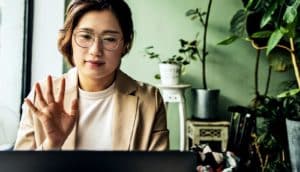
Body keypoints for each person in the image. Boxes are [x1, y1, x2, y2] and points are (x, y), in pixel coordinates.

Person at [14, 0, 169, 151]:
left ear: (125, 44)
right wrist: (52, 145)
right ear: (70, 39)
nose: (95, 50)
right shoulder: (42, 95)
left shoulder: (149, 100)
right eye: (86, 36)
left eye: (109, 39)